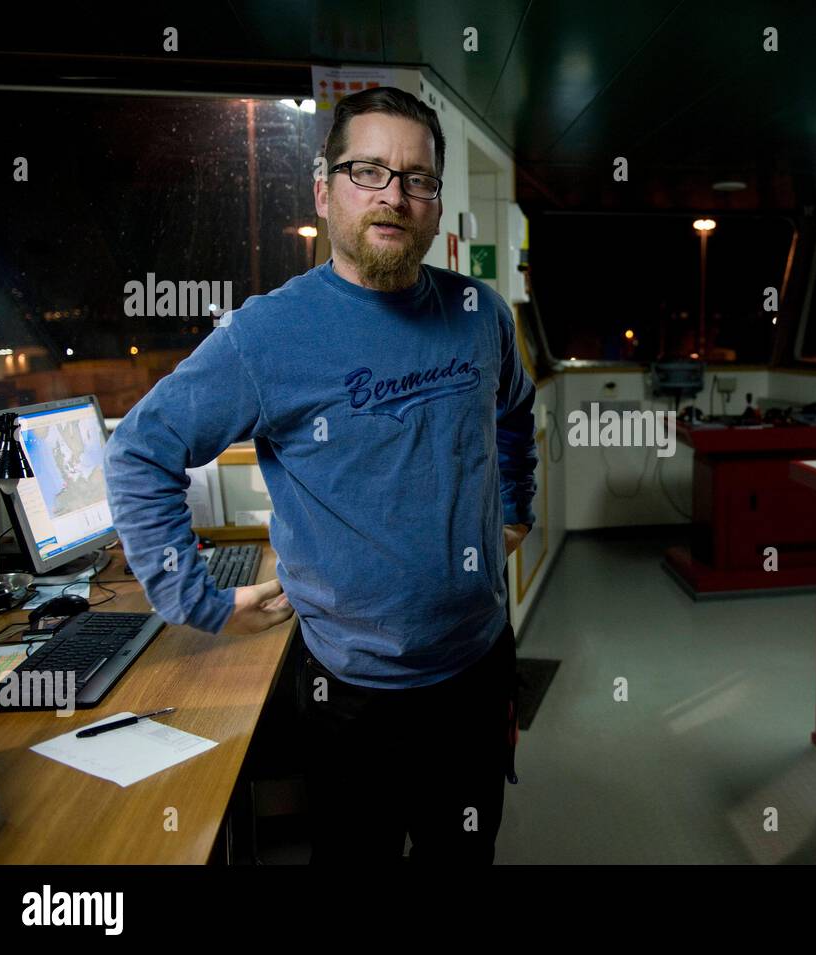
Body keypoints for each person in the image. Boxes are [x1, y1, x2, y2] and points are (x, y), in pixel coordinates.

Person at [104, 86, 538, 864]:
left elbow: (514, 408)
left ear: (436, 203)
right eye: (368, 170)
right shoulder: (267, 335)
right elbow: (139, 450)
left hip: (476, 670)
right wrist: (196, 599)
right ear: (324, 189)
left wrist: (515, 507)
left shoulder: (481, 314)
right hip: (350, 695)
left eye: (417, 178)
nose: (394, 197)